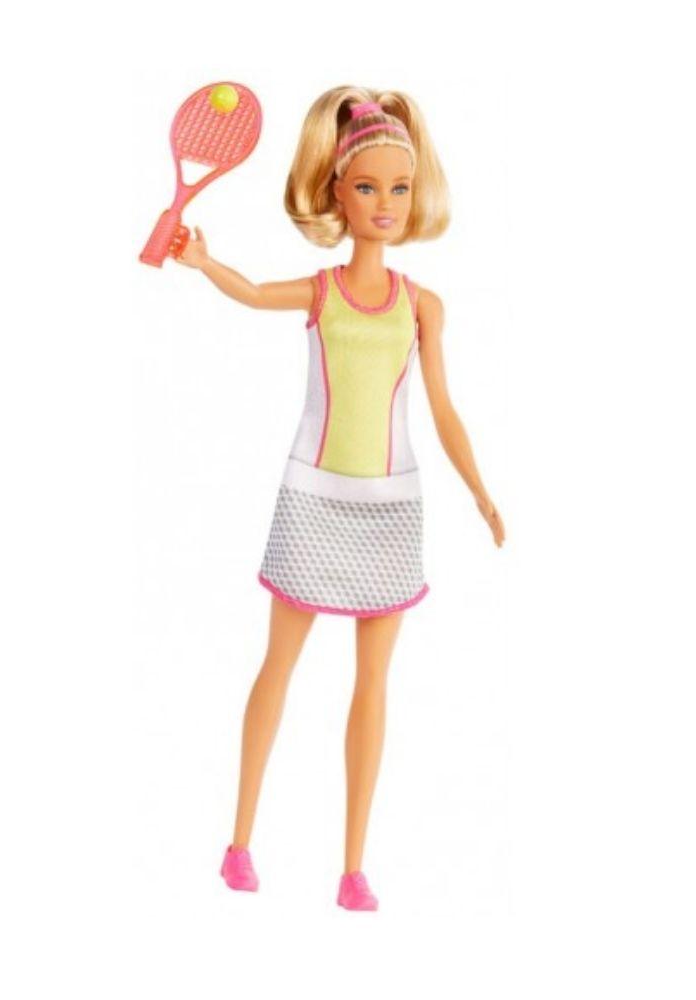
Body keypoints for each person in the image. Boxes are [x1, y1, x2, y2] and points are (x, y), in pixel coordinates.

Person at [171, 86, 506, 910]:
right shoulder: (322, 292)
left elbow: (443, 407)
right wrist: (203, 261)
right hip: (313, 501)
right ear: (337, 194)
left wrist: (479, 490)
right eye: (366, 187)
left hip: (392, 507)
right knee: (278, 666)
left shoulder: (422, 306)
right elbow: (255, 293)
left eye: (399, 188)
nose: (384, 203)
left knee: (373, 684)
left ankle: (353, 867)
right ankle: (239, 842)